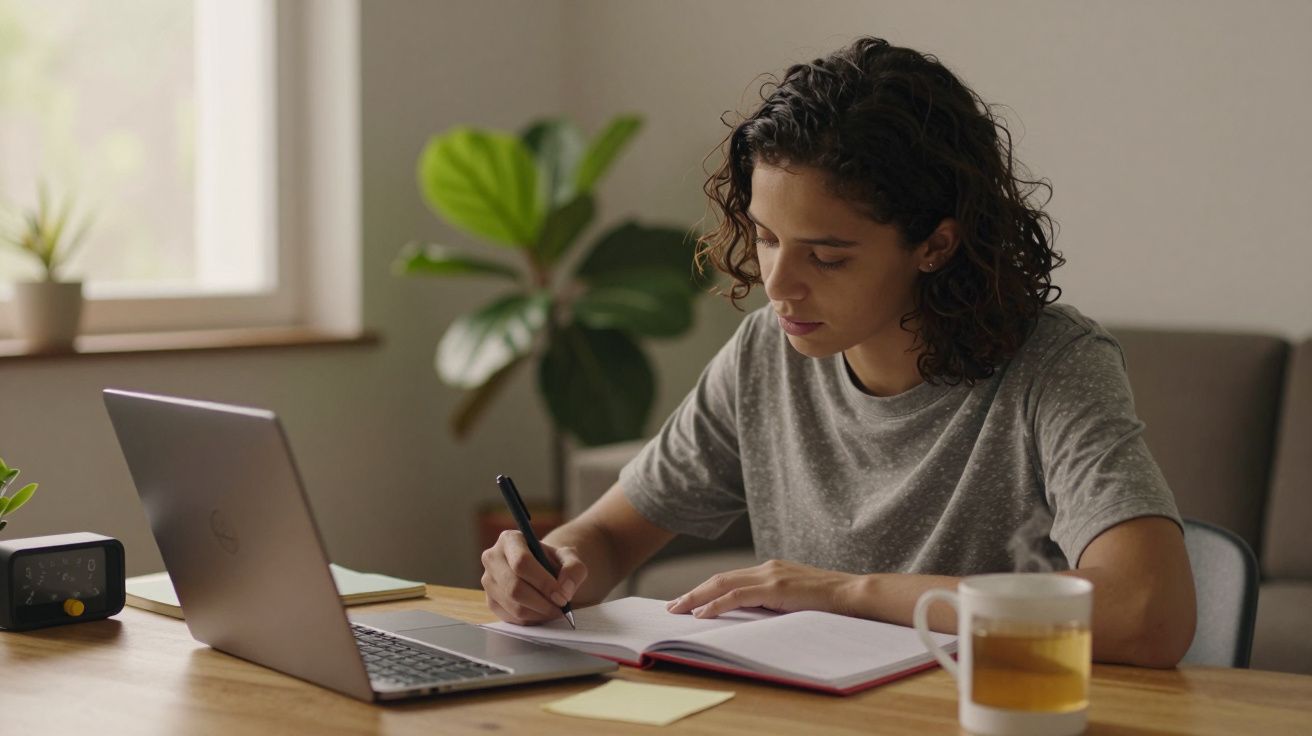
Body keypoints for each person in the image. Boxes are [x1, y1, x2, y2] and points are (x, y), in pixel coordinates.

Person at [480, 37, 1196, 667]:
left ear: (935, 245)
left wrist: (847, 594)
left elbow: (1146, 613)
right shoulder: (767, 352)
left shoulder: (1053, 363)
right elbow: (608, 535)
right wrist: (553, 564)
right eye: (765, 238)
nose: (779, 285)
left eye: (825, 256)